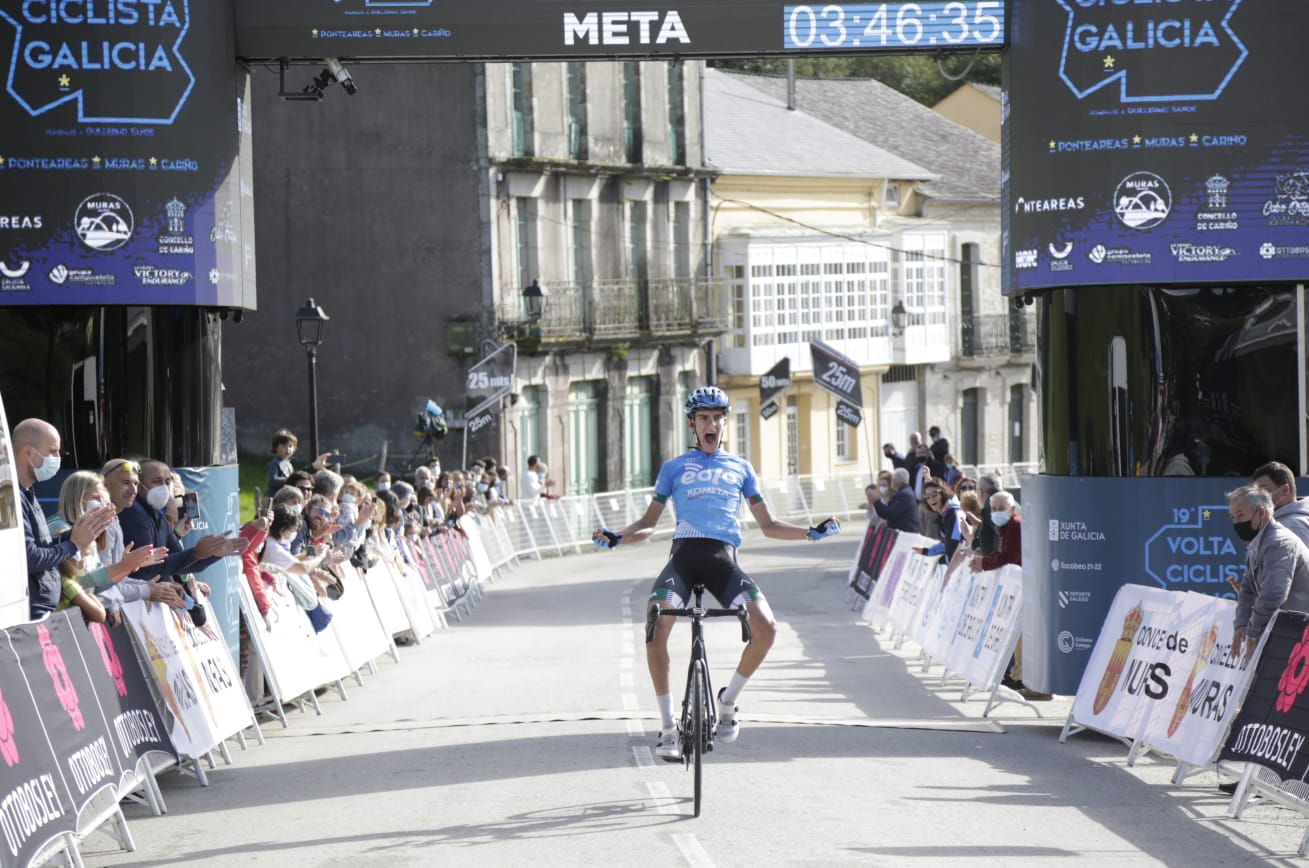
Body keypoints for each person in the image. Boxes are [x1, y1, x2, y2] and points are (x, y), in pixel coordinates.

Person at [591, 386, 840, 760]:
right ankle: (667, 728)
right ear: (693, 424)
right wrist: (616, 538)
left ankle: (728, 700)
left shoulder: (740, 469)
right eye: (704, 418)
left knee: (767, 627)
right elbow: (648, 523)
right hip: (683, 560)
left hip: (723, 561)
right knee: (655, 622)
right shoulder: (673, 468)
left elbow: (768, 525)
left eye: (717, 417)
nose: (711, 424)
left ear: (725, 422)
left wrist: (811, 532)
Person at [118, 459, 249, 625]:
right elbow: (148, 568)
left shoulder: (157, 515)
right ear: (139, 484)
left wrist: (212, 554)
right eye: (156, 481)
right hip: (130, 606)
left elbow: (179, 561)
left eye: (167, 481)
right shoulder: (134, 512)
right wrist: (195, 553)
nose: (163, 487)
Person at [14, 418, 118, 619]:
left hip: (44, 610)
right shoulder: (14, 497)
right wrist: (73, 544)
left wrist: (81, 532)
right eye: (52, 451)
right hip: (31, 613)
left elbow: (43, 547)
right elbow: (31, 559)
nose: (58, 458)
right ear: (28, 452)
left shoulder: (28, 493)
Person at [1229, 484, 1309, 662]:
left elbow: (1273, 594)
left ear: (1261, 513)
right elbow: (1247, 590)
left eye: (1240, 514)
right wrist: (1241, 623)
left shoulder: (1279, 543)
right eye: (1233, 516)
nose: (1236, 522)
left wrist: (1253, 631)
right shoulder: (1258, 543)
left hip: (1300, 637)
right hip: (1291, 633)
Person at [1252, 461, 1309, 548]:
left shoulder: (1293, 526)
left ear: (1285, 490)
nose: (1259, 496)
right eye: (1256, 491)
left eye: (1264, 490)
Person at [872, 468, 920, 534]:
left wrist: (876, 501)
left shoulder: (903, 494)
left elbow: (890, 514)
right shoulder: (904, 492)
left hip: (906, 534)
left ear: (895, 481)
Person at [972, 473, 1004, 556]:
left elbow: (1002, 535)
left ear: (981, 492)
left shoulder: (991, 504)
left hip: (1002, 564)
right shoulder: (1008, 501)